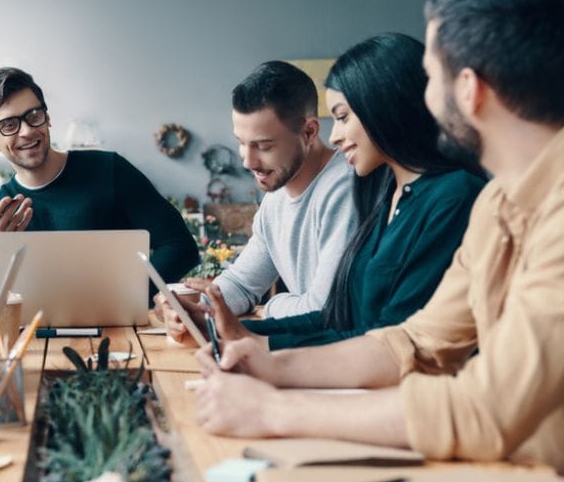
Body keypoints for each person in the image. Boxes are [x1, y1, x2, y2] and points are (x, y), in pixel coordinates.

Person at [193, 0, 564, 473]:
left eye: (431, 78)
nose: (424, 98)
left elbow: (489, 408)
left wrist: (278, 408)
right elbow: (414, 342)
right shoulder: (499, 204)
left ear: (469, 90)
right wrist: (271, 363)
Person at [197, 34, 486, 350]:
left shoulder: (449, 196)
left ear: (385, 108)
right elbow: (346, 320)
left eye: (342, 117)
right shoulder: (388, 193)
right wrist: (236, 328)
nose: (334, 136)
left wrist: (264, 337)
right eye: (241, 143)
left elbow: (392, 344)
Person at [0, 67, 198, 304]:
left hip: (118, 335)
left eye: (34, 115)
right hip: (32, 339)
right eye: (9, 125)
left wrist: (128, 297)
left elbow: (179, 246)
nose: (26, 131)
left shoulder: (110, 170)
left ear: (48, 117)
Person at [160, 61, 357, 343]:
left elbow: (325, 311)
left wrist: (273, 306)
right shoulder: (276, 195)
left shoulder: (343, 189)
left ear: (310, 132)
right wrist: (199, 310)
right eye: (241, 142)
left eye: (264, 146)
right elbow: (242, 283)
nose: (247, 161)